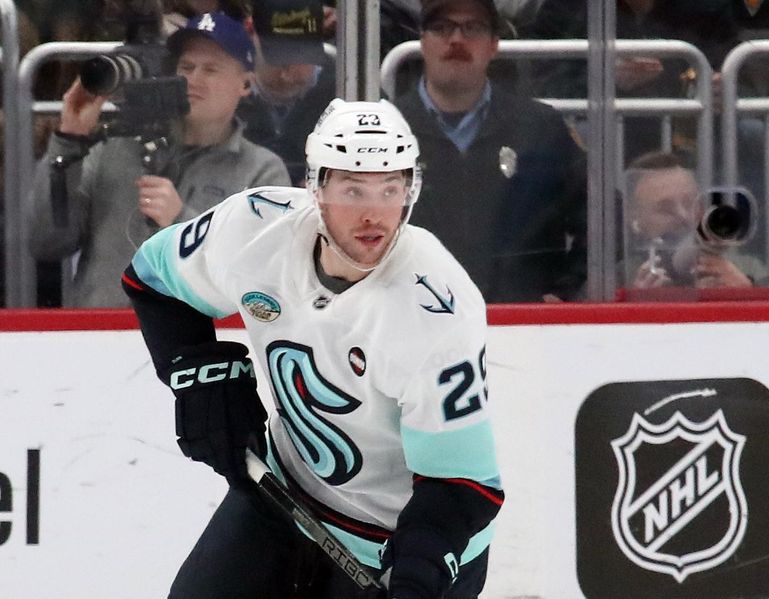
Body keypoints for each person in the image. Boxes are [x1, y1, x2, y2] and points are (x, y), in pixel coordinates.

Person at [121, 98, 504, 598]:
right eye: (353, 188)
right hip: (281, 493)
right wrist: (200, 380)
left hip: (401, 542)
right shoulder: (256, 226)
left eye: (391, 188)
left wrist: (416, 575)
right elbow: (152, 280)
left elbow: (464, 487)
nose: (374, 213)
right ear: (316, 187)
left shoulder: (436, 309)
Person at [27, 12, 291, 307]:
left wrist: (183, 223)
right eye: (186, 67)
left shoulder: (261, 171)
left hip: (203, 343)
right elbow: (44, 241)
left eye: (211, 69)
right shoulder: (114, 149)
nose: (193, 79)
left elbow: (264, 276)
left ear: (245, 84)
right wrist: (68, 141)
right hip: (97, 338)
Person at [393, 0, 587, 302]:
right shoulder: (388, 130)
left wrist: (565, 290)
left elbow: (601, 217)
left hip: (523, 329)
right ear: (422, 41)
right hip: (415, 326)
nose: (456, 39)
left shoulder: (539, 128)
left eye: (473, 28)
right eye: (442, 28)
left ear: (494, 45)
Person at [623, 151, 769, 290]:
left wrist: (746, 292)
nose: (684, 216)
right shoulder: (616, 279)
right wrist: (637, 304)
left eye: (690, 203)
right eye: (665, 209)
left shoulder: (749, 268)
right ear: (634, 216)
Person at [237, 0, 336, 186]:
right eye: (279, 60)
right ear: (251, 32)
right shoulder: (223, 87)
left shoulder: (348, 91)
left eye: (301, 57)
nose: (287, 76)